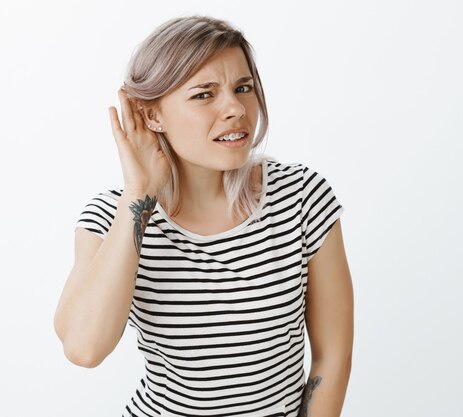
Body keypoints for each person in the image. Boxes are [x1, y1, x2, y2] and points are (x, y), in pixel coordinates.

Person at [53, 15, 354, 417]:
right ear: (151, 115)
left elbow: (332, 360)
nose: (235, 109)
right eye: (203, 94)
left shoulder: (301, 197)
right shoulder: (113, 214)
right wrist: (139, 194)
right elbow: (83, 347)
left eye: (243, 88)